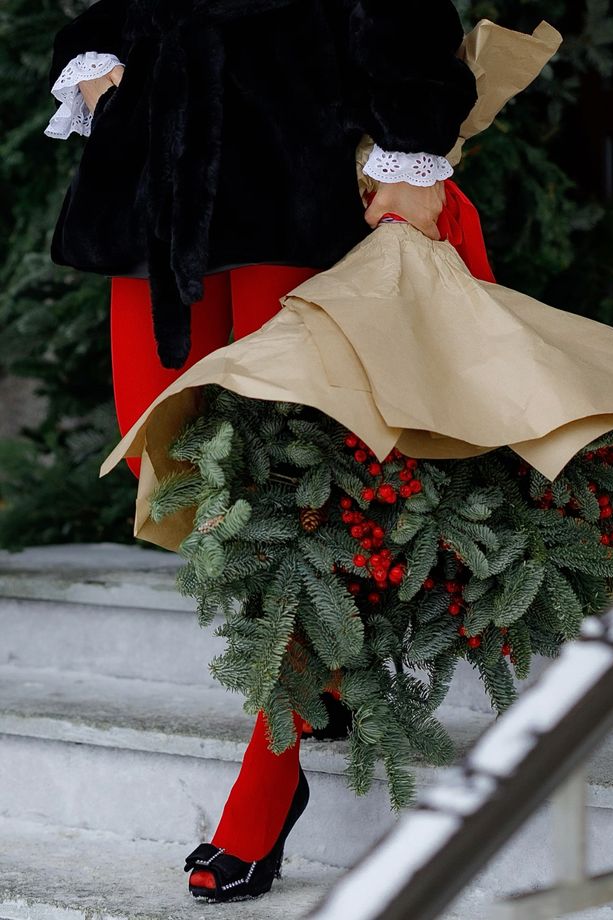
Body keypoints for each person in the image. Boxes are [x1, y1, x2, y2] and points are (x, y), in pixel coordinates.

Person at [45, 0, 479, 902]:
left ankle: (269, 774)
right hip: (159, 182)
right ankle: (316, 676)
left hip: (299, 178)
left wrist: (413, 149)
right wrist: (100, 62)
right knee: (166, 461)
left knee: (295, 483)